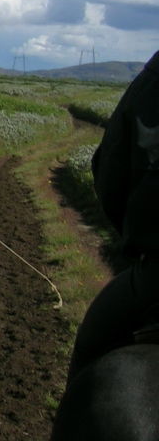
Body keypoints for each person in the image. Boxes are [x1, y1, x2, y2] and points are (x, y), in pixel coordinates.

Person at [65, 48, 159, 382]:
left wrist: (135, 237)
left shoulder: (152, 78)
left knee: (91, 349)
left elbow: (110, 171)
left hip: (156, 276)